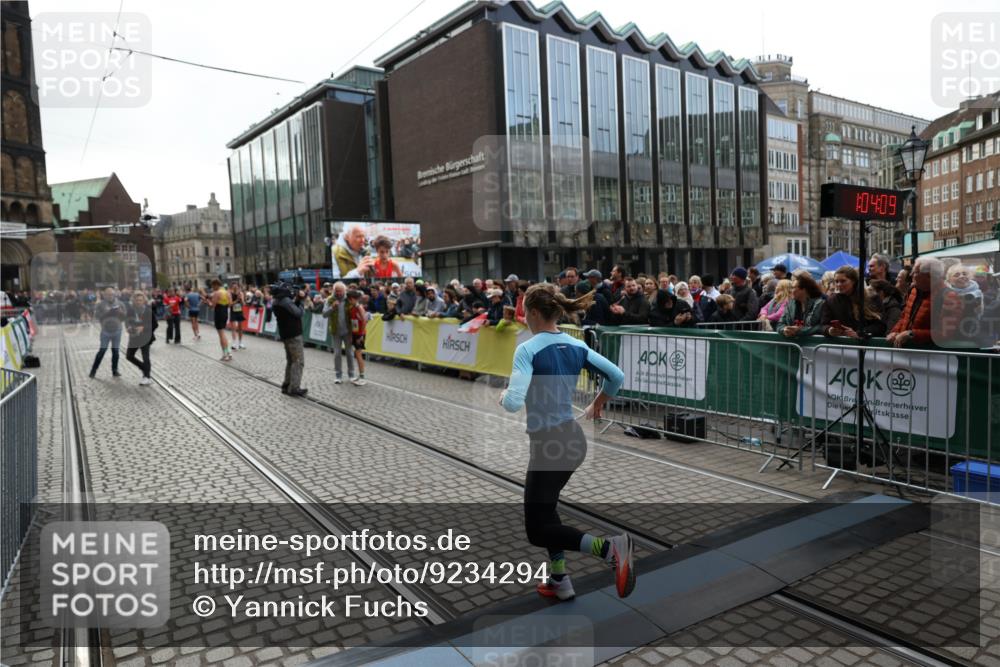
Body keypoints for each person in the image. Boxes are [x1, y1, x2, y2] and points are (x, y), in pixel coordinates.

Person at [500, 283, 634, 602]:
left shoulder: (528, 349)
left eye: (523, 311)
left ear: (533, 312)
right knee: (547, 512)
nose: (523, 317)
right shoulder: (575, 345)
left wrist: (505, 395)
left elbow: (513, 402)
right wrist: (599, 402)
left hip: (550, 446)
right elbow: (617, 376)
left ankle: (610, 549)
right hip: (572, 440)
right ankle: (559, 579)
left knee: (536, 528)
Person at [821, 266, 886, 339]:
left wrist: (860, 333)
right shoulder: (831, 301)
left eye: (843, 281)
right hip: (840, 346)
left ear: (853, 281)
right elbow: (823, 324)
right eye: (836, 281)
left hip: (867, 346)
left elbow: (880, 326)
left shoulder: (871, 298)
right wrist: (829, 330)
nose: (839, 284)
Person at [270, 282, 308, 396]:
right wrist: (301, 300)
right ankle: (294, 387)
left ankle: (287, 384)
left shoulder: (277, 300)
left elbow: (291, 310)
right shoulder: (285, 301)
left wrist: (296, 300)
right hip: (293, 334)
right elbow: (298, 313)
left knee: (291, 361)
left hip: (285, 333)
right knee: (298, 361)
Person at [89, 287, 127, 379]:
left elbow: (125, 317)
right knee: (102, 350)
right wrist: (108, 313)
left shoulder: (120, 303)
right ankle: (93, 370)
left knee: (116, 351)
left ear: (114, 294)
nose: (110, 296)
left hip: (117, 330)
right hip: (106, 331)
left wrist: (120, 313)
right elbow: (97, 316)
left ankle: (115, 370)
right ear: (104, 295)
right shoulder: (101, 304)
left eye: (112, 294)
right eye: (108, 294)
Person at [323, 282, 356, 384]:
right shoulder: (330, 300)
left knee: (349, 353)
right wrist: (332, 308)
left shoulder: (348, 299)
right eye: (336, 291)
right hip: (336, 331)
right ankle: (338, 375)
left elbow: (357, 308)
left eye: (340, 291)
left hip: (348, 331)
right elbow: (324, 314)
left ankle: (351, 374)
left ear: (344, 291)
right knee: (337, 354)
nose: (338, 293)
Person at [776, 272, 826, 338]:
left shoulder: (820, 304)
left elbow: (821, 327)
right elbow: (780, 324)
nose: (790, 291)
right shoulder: (790, 304)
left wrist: (799, 330)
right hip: (792, 345)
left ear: (804, 289)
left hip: (813, 344)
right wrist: (784, 330)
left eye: (793, 288)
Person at [124, 291, 156, 386]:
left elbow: (154, 324)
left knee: (145, 356)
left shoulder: (148, 311)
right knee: (129, 356)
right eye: (137, 300)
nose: (138, 302)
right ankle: (143, 367)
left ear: (144, 301)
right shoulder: (130, 310)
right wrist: (128, 327)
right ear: (134, 301)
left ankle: (147, 377)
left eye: (140, 300)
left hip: (145, 337)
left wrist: (143, 328)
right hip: (134, 337)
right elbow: (127, 321)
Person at [346, 289, 368, 386]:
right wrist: (351, 335)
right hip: (355, 333)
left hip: (360, 334)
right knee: (356, 353)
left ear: (354, 299)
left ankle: (362, 377)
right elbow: (352, 322)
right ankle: (360, 375)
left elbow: (364, 321)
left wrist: (361, 335)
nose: (349, 302)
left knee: (358, 354)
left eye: (350, 300)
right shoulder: (352, 308)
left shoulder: (359, 308)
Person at [208, 279, 232, 361]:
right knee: (223, 333)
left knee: (221, 334)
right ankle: (228, 352)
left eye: (213, 286)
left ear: (216, 285)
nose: (212, 288)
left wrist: (208, 302)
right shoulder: (227, 292)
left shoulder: (217, 293)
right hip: (225, 312)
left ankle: (225, 353)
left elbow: (212, 305)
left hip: (218, 312)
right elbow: (230, 304)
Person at [228, 283, 247, 350]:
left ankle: (240, 343)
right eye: (234, 287)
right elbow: (229, 304)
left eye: (236, 286)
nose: (235, 288)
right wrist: (236, 300)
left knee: (240, 328)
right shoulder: (230, 293)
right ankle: (234, 343)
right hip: (233, 312)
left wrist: (241, 299)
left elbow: (243, 304)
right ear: (232, 287)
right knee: (233, 328)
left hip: (239, 311)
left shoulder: (240, 293)